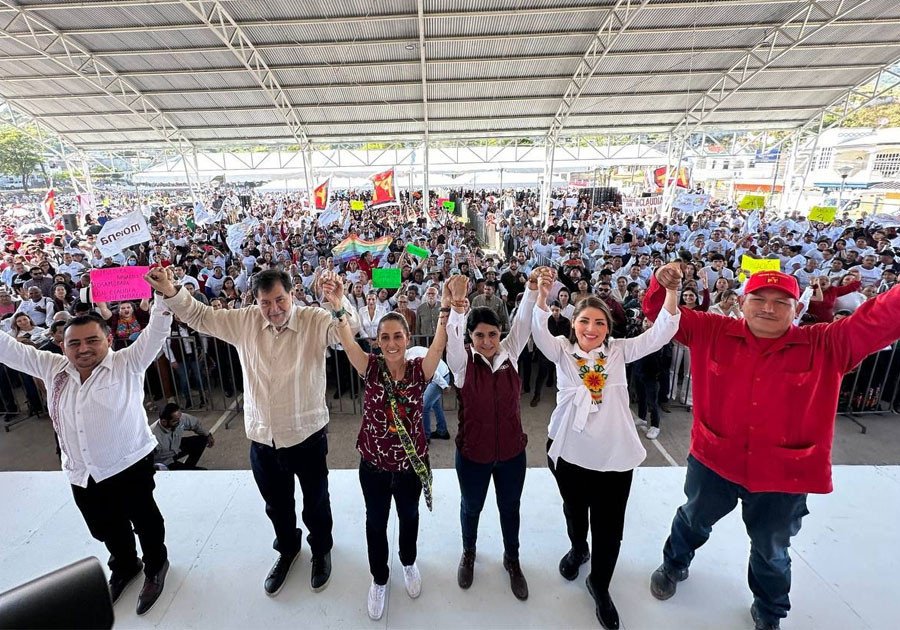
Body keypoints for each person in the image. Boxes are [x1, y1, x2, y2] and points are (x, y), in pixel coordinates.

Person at [643, 264, 900, 630]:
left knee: (772, 551)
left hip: (785, 475)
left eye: (781, 302)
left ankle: (769, 610)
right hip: (715, 460)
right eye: (759, 299)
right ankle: (673, 565)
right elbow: (659, 314)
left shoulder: (827, 343)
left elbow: (882, 318)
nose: (768, 308)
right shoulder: (712, 330)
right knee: (693, 519)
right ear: (742, 302)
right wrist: (661, 282)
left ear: (797, 310)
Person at [145, 266, 360, 597]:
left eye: (280, 301)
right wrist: (171, 291)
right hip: (262, 438)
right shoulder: (244, 321)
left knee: (316, 501)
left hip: (306, 435)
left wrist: (338, 301)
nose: (274, 310)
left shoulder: (314, 320)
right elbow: (200, 316)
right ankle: (287, 550)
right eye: (265, 303)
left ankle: (321, 551)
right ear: (254, 301)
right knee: (276, 504)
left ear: (293, 295)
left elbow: (350, 328)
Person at [0, 268, 174, 616]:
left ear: (108, 339)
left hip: (128, 463)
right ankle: (126, 566)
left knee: (145, 520)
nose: (83, 349)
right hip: (81, 472)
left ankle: (156, 567)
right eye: (74, 343)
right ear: (61, 345)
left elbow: (156, 331)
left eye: (92, 340)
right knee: (104, 525)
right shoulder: (52, 368)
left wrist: (165, 294)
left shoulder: (128, 363)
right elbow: (7, 350)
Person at [532, 268, 680, 630]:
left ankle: (600, 582)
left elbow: (660, 334)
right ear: (573, 324)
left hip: (614, 455)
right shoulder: (562, 352)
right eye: (584, 320)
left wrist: (672, 291)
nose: (591, 328)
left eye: (599, 322)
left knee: (610, 525)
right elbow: (538, 330)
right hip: (569, 451)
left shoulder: (618, 352)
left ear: (608, 328)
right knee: (574, 510)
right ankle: (579, 547)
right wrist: (541, 293)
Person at [327, 270, 457, 621]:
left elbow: (440, 345)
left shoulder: (419, 370)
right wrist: (339, 306)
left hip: (410, 467)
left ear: (407, 337)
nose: (391, 342)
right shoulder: (369, 367)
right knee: (375, 522)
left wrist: (444, 307)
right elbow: (347, 340)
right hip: (373, 466)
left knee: (410, 516)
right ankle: (379, 578)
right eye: (384, 336)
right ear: (379, 340)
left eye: (397, 335)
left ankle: (409, 562)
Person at [446, 267, 544, 601]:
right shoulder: (462, 366)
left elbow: (523, 322)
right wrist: (459, 306)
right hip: (473, 455)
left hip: (512, 455)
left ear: (500, 334)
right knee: (471, 507)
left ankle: (512, 559)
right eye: (479, 336)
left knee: (510, 509)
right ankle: (469, 552)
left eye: (492, 334)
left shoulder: (511, 355)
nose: (487, 342)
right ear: (470, 338)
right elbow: (453, 336)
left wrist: (531, 290)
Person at [150, 402, 215, 470]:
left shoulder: (179, 418)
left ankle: (189, 467)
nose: (179, 422)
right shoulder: (152, 436)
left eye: (179, 418)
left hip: (176, 448)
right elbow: (145, 459)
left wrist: (208, 435)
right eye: (175, 421)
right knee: (202, 471)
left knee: (202, 440)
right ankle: (186, 471)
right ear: (164, 422)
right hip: (165, 461)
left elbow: (195, 424)